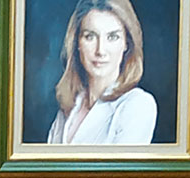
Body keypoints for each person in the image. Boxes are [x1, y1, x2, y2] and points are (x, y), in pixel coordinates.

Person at [46, 0, 156, 145]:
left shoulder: (138, 104)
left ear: (126, 44)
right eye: (90, 36)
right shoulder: (68, 108)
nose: (100, 50)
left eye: (112, 37)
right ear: (77, 43)